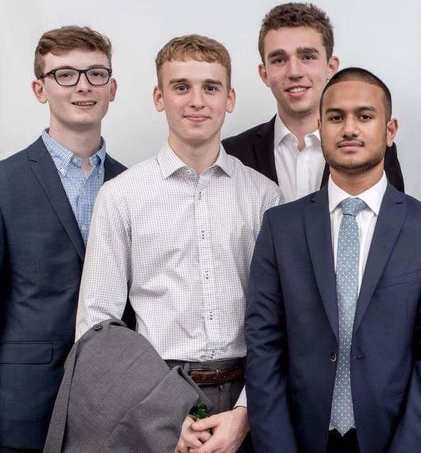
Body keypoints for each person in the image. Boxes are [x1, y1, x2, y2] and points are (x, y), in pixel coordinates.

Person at [75, 34, 282, 453]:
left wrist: (246, 412)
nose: (197, 101)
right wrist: (166, 414)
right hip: (154, 390)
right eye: (181, 87)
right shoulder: (121, 196)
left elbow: (283, 318)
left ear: (230, 97)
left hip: (248, 392)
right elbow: (96, 323)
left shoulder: (265, 197)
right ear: (158, 96)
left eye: (211, 87)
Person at [245, 67, 421, 453]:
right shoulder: (280, 227)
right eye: (336, 117)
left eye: (364, 116)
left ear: (390, 129)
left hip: (395, 437)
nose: (349, 128)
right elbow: (264, 346)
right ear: (320, 127)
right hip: (300, 438)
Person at [0, 25, 124, 452]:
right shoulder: (4, 183)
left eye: (95, 74)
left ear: (112, 88)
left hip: (116, 401)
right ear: (40, 88)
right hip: (23, 401)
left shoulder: (135, 186)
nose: (82, 87)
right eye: (65, 75)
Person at [222, 2, 404, 202]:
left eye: (307, 57)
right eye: (279, 60)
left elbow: (390, 221)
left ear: (330, 67)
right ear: (264, 73)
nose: (294, 72)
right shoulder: (232, 153)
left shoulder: (372, 146)